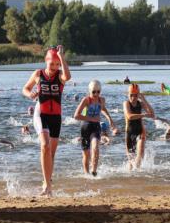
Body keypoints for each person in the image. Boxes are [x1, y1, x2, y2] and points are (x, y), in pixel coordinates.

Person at [22, 46, 71, 196]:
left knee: (51, 154)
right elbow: (25, 88)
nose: (55, 67)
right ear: (46, 61)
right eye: (52, 64)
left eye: (57, 64)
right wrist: (30, 94)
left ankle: (47, 182)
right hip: (41, 114)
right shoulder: (38, 74)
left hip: (56, 117)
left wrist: (62, 57)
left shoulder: (60, 76)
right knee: (44, 145)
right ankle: (46, 185)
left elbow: (68, 77)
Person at [73, 80, 117, 176]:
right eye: (94, 92)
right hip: (85, 127)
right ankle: (86, 173)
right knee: (86, 154)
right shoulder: (86, 100)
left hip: (96, 127)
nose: (96, 94)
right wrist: (91, 118)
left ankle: (94, 171)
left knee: (96, 146)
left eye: (98, 91)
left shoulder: (102, 100)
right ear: (90, 91)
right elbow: (76, 115)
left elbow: (103, 108)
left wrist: (109, 118)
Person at [124, 83, 155, 170]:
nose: (133, 98)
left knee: (140, 152)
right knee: (131, 161)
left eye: (135, 95)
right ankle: (132, 176)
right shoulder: (126, 103)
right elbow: (129, 116)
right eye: (131, 95)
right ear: (128, 94)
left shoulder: (140, 103)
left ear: (138, 95)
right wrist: (143, 115)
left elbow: (152, 114)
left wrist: (144, 99)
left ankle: (137, 172)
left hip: (140, 131)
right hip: (129, 134)